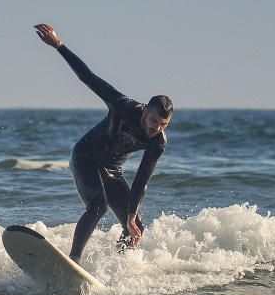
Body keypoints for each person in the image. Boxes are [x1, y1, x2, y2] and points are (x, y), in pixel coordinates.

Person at [34, 23, 172, 263]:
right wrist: (59, 46)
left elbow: (142, 179)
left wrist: (130, 214)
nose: (156, 128)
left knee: (136, 224)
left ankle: (117, 265)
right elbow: (88, 78)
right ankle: (74, 259)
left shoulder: (157, 142)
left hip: (111, 169)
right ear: (146, 110)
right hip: (85, 157)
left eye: (163, 124)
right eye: (153, 120)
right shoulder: (122, 105)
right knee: (98, 206)